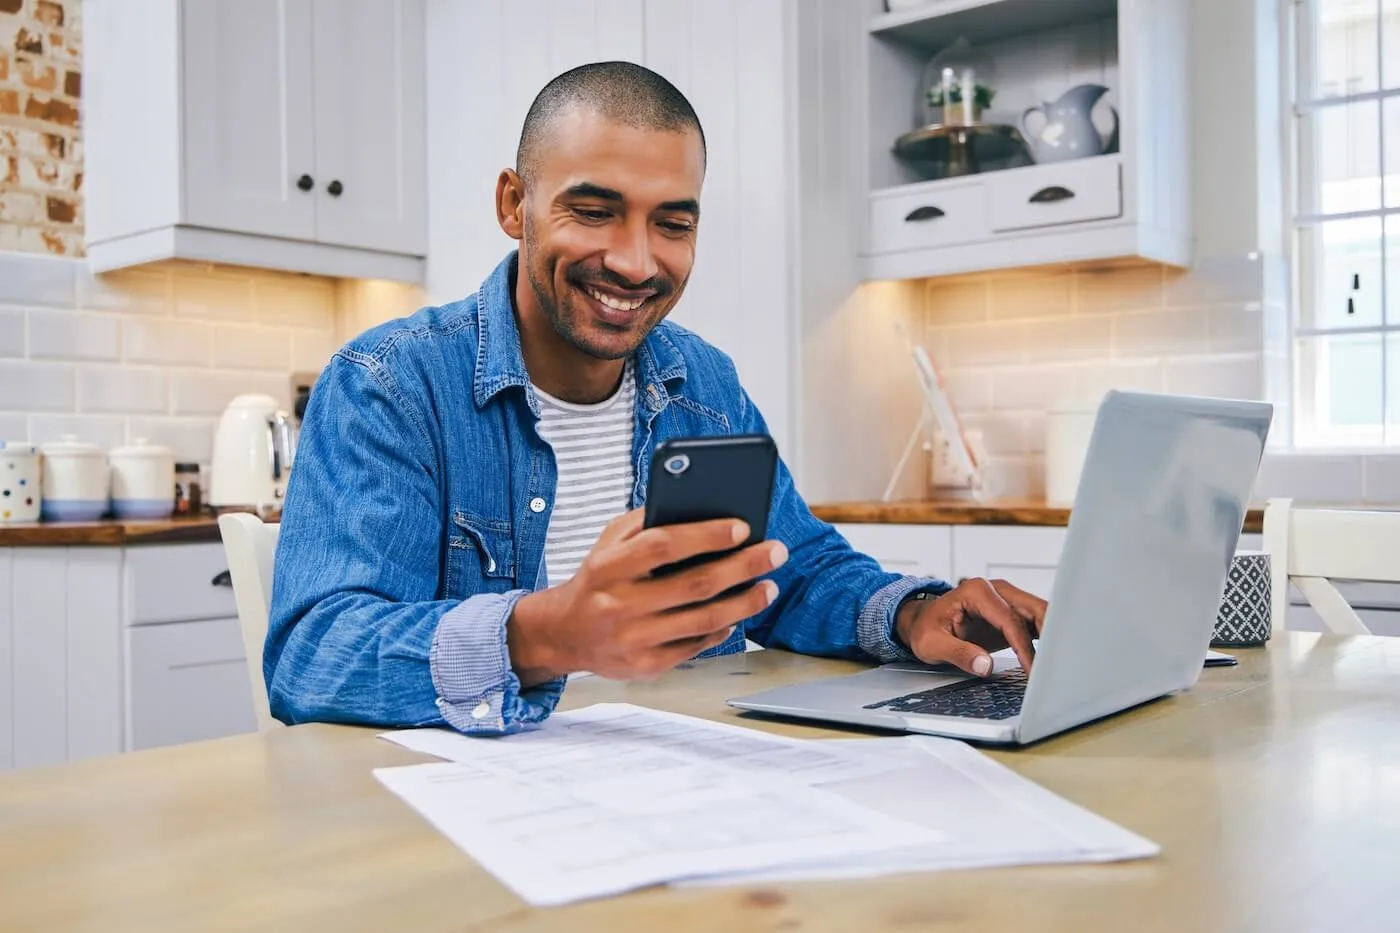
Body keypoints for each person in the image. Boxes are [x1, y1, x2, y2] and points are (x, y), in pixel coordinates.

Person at [265, 61, 1048, 735]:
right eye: (595, 211)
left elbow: (792, 571)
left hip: (681, 786)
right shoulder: (391, 384)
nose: (637, 262)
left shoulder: (702, 383)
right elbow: (314, 655)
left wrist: (915, 615)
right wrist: (549, 635)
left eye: (672, 223)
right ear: (515, 205)